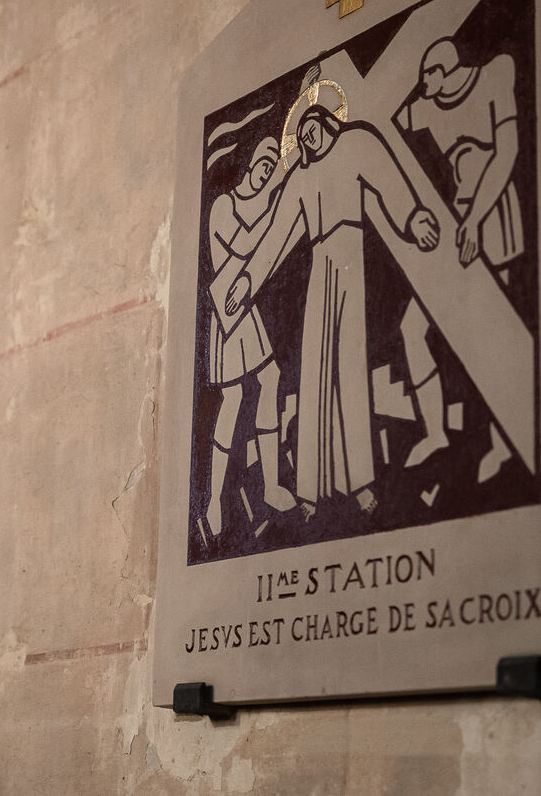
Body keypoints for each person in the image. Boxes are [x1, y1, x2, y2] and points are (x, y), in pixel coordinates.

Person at [226, 104, 439, 517]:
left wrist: (414, 218)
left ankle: (361, 481)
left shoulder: (357, 142)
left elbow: (389, 181)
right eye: (302, 134)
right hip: (320, 264)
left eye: (313, 127)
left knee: (351, 370)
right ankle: (309, 490)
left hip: (350, 257)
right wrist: (248, 280)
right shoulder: (301, 177)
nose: (308, 137)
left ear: (328, 122)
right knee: (314, 375)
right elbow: (276, 237)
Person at [395, 38, 521, 479]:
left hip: (492, 212)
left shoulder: (495, 75)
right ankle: (436, 431)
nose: (421, 83)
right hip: (458, 219)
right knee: (412, 328)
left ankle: (504, 441)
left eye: (427, 74)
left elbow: (507, 152)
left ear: (444, 70)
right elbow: (386, 116)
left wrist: (476, 219)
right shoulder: (429, 108)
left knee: (494, 330)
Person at [202, 136, 297, 538]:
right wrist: (279, 192)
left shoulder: (259, 203)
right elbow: (243, 243)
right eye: (264, 164)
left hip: (246, 305)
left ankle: (271, 485)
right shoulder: (223, 205)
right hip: (227, 313)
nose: (267, 172)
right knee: (234, 396)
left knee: (270, 378)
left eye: (273, 166)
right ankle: (213, 503)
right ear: (250, 163)